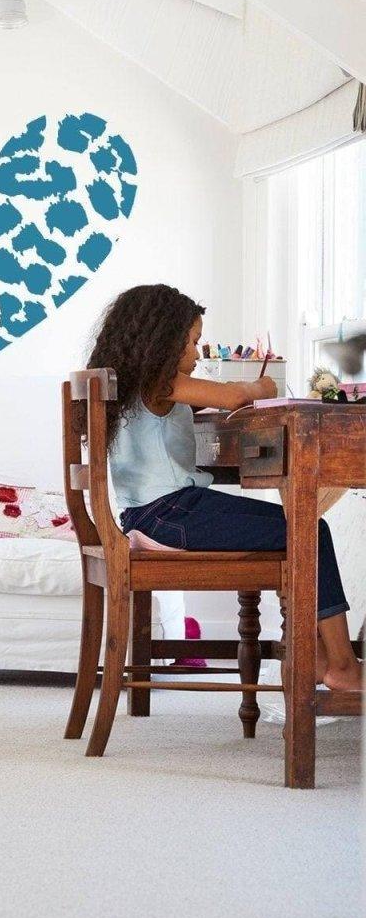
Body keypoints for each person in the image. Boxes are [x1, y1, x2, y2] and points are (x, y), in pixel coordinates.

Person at [86, 283, 360, 692]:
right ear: (162, 341)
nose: (197, 354)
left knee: (300, 525)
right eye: (193, 342)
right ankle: (342, 664)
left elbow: (180, 410)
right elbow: (235, 396)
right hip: (173, 514)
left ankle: (317, 654)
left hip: (152, 516)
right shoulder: (160, 382)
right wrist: (262, 389)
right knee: (310, 529)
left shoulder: (132, 385)